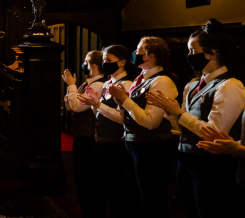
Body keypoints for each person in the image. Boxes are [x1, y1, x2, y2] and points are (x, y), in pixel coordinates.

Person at [146, 19, 245, 218]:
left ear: (212, 54)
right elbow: (181, 127)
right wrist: (168, 112)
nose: (189, 56)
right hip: (186, 161)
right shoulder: (192, 85)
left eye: (193, 51)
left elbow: (214, 133)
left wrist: (179, 113)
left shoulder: (230, 86)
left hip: (212, 167)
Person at [103, 37, 178, 218]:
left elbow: (151, 122)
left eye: (138, 50)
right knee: (135, 199)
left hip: (152, 148)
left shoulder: (161, 81)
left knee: (152, 201)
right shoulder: (141, 79)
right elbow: (132, 112)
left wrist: (126, 100)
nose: (134, 54)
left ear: (150, 56)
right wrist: (121, 102)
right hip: (135, 145)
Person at [79, 45, 139, 218]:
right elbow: (99, 113)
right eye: (104, 60)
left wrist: (98, 105)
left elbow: (123, 119)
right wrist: (94, 105)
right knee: (103, 186)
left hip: (117, 144)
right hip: (102, 141)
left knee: (118, 191)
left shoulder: (126, 83)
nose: (105, 64)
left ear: (121, 62)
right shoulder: (107, 83)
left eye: (109, 61)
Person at [62, 51, 107, 218]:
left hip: (89, 138)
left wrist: (71, 86)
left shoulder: (98, 85)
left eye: (86, 62)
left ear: (93, 65)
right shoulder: (88, 83)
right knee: (81, 177)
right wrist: (72, 89)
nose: (84, 65)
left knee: (89, 179)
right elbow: (68, 105)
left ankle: (93, 212)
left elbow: (76, 106)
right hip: (81, 136)